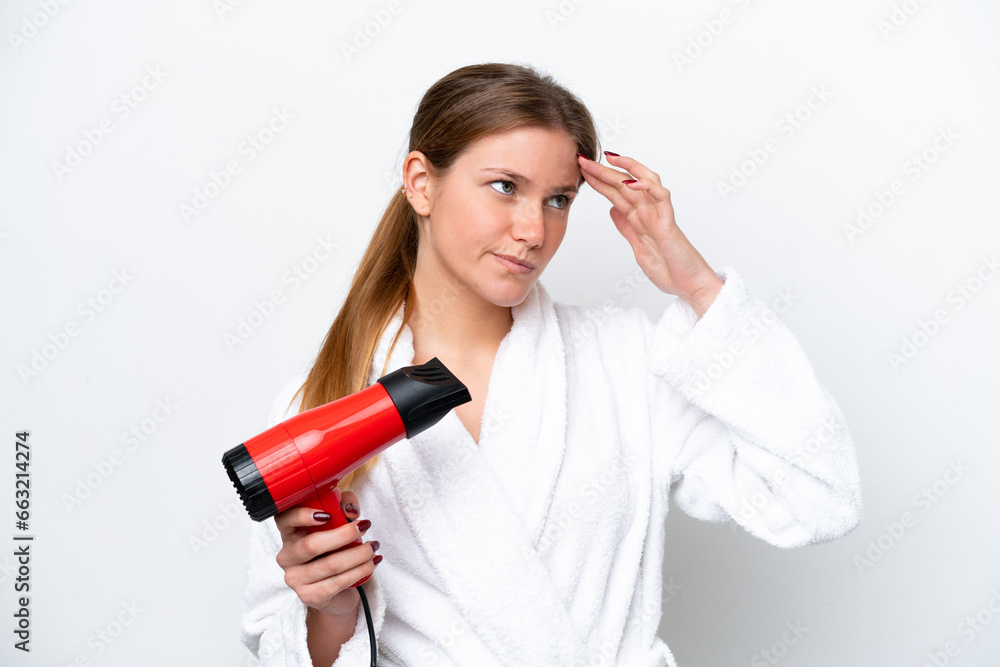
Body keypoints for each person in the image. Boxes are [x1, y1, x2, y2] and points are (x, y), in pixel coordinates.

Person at [238, 62, 863, 667]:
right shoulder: (318, 403)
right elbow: (282, 647)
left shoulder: (624, 361)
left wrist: (698, 287)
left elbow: (816, 498)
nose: (534, 230)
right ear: (421, 182)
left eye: (559, 199)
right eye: (505, 187)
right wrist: (332, 611)